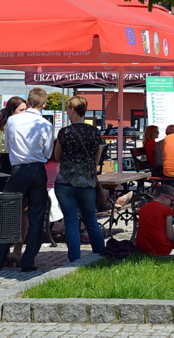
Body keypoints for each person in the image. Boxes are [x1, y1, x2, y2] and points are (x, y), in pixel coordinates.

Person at [0, 87, 54, 272]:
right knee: (36, 217)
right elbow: (48, 153)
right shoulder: (45, 125)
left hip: (17, 170)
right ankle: (28, 261)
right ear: (44, 105)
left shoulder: (12, 120)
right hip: (37, 170)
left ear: (28, 102)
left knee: (8, 214)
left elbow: (8, 146)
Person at [53, 96, 105, 263]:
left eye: (68, 109)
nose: (67, 112)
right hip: (87, 182)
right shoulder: (95, 132)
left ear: (73, 110)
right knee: (90, 220)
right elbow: (97, 159)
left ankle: (74, 259)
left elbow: (57, 156)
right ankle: (100, 255)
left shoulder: (65, 132)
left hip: (65, 182)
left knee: (71, 221)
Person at [0, 97, 27, 190]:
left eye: (25, 110)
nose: (24, 113)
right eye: (21, 110)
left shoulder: (0, 123)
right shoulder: (13, 124)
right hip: (12, 160)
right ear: (12, 111)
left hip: (3, 160)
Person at [135, 185, 174, 256]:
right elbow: (170, 236)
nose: (171, 203)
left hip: (142, 247)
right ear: (163, 196)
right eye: (171, 200)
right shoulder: (167, 210)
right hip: (160, 248)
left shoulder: (143, 208)